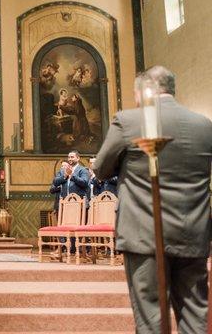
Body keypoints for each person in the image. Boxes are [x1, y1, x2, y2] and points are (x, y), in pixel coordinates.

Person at [94, 66, 212, 333]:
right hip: (194, 233)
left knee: (150, 318)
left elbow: (101, 169)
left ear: (143, 92)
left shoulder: (128, 121)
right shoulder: (204, 125)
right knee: (195, 315)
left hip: (145, 235)